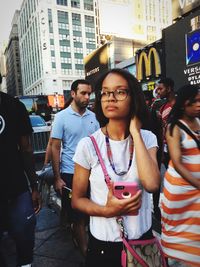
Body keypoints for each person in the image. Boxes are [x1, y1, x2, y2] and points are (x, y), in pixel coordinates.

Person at [72, 69, 161, 267]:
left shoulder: (147, 138)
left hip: (142, 243)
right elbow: (77, 200)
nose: (110, 98)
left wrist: (135, 133)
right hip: (103, 246)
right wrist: (107, 210)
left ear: (134, 97)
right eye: (105, 92)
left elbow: (152, 184)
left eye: (120, 92)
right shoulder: (88, 145)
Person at [51, 79, 100, 257]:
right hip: (71, 173)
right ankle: (86, 254)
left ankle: (79, 235)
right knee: (78, 216)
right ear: (73, 94)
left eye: (89, 93)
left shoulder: (94, 117)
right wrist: (57, 178)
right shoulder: (61, 117)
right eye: (83, 93)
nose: (87, 97)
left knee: (91, 212)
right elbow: (55, 147)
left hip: (93, 173)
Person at [0, 75, 41, 267]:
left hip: (15, 188)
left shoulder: (14, 106)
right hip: (16, 186)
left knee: (23, 233)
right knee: (23, 235)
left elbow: (26, 149)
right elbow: (26, 149)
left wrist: (33, 185)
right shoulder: (14, 106)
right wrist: (34, 186)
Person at [161, 84, 200, 267]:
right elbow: (177, 162)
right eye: (196, 101)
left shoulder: (199, 122)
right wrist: (198, 184)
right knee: (182, 233)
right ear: (184, 103)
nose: (199, 105)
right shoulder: (174, 127)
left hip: (196, 189)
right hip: (181, 191)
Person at [156, 77, 176, 168]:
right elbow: (162, 130)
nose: (158, 92)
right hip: (167, 150)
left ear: (168, 89)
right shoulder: (162, 108)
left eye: (160, 89)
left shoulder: (181, 105)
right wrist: (162, 152)